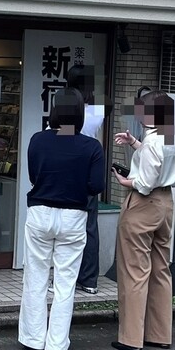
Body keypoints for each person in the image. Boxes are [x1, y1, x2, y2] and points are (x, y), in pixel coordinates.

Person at [18, 88, 105, 350]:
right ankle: (56, 344)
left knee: (35, 277)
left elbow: (33, 176)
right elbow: (97, 185)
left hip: (40, 212)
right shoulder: (91, 146)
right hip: (73, 216)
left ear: (54, 110)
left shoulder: (38, 140)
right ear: (80, 113)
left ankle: (33, 338)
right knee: (65, 282)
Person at [111, 90, 175, 350]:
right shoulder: (173, 134)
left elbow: (144, 182)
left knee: (134, 271)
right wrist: (134, 143)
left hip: (143, 204)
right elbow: (159, 161)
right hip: (166, 203)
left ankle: (131, 338)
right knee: (160, 269)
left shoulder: (153, 140)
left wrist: (125, 181)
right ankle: (160, 334)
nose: (139, 114)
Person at [66, 64, 111, 295]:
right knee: (90, 227)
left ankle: (68, 278)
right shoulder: (99, 108)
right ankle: (90, 280)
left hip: (70, 170)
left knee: (67, 227)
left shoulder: (67, 108)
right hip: (90, 168)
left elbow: (64, 136)